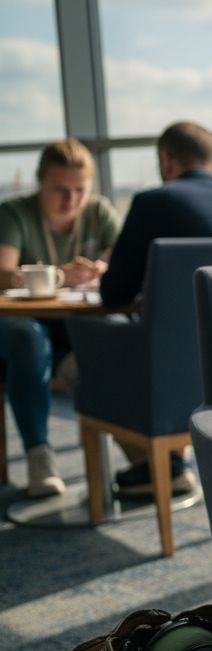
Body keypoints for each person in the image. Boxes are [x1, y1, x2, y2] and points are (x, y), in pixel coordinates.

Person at [100, 121, 212, 498]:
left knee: (86, 357)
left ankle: (157, 464)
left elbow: (112, 293)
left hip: (169, 377)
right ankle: (169, 463)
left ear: (166, 160)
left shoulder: (153, 202)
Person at [0, 139, 120, 496]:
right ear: (41, 182)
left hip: (75, 321)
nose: (71, 200)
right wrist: (57, 275)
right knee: (30, 341)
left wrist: (103, 269)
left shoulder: (99, 211)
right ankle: (39, 455)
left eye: (79, 190)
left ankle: (144, 456)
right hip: (18, 325)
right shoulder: (14, 214)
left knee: (114, 334)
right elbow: (2, 273)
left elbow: (126, 266)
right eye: (60, 190)